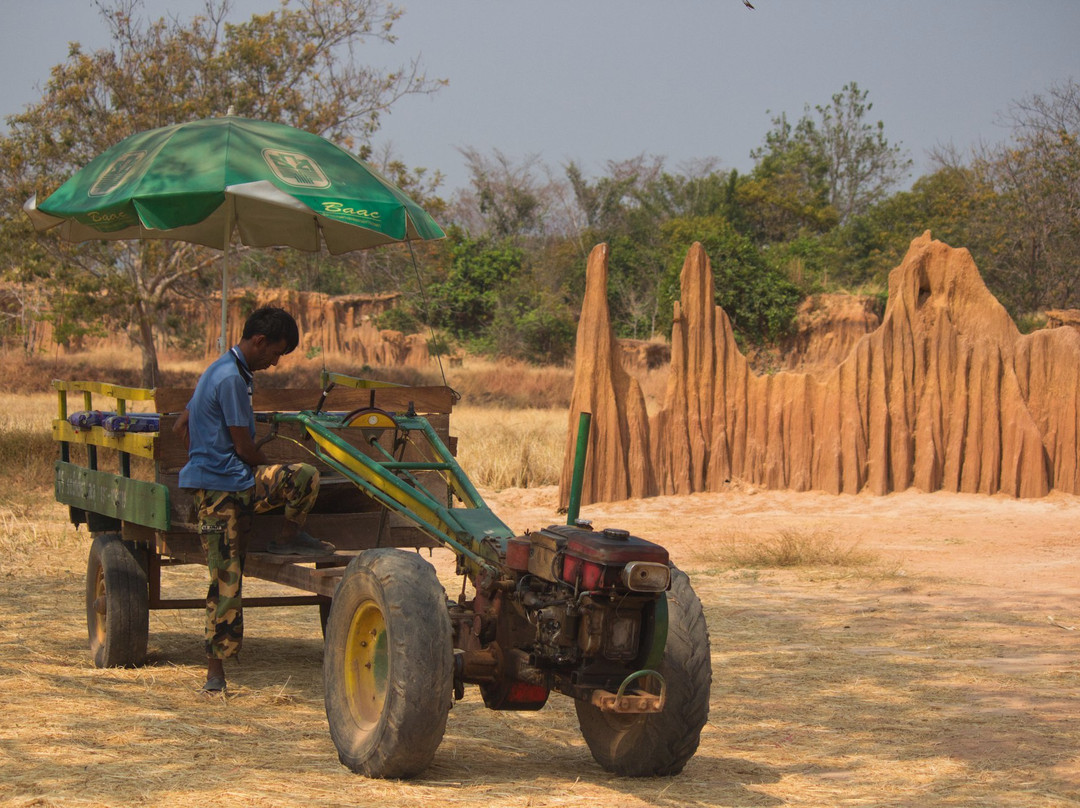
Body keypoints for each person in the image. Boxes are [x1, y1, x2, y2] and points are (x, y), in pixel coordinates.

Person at [175, 306, 332, 694]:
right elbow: (245, 447)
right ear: (258, 341)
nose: (275, 362)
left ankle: (288, 536)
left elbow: (187, 418)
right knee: (226, 579)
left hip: (238, 481)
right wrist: (268, 461)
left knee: (304, 477)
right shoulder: (229, 376)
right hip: (219, 491)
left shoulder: (228, 371)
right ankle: (215, 673)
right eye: (275, 353)